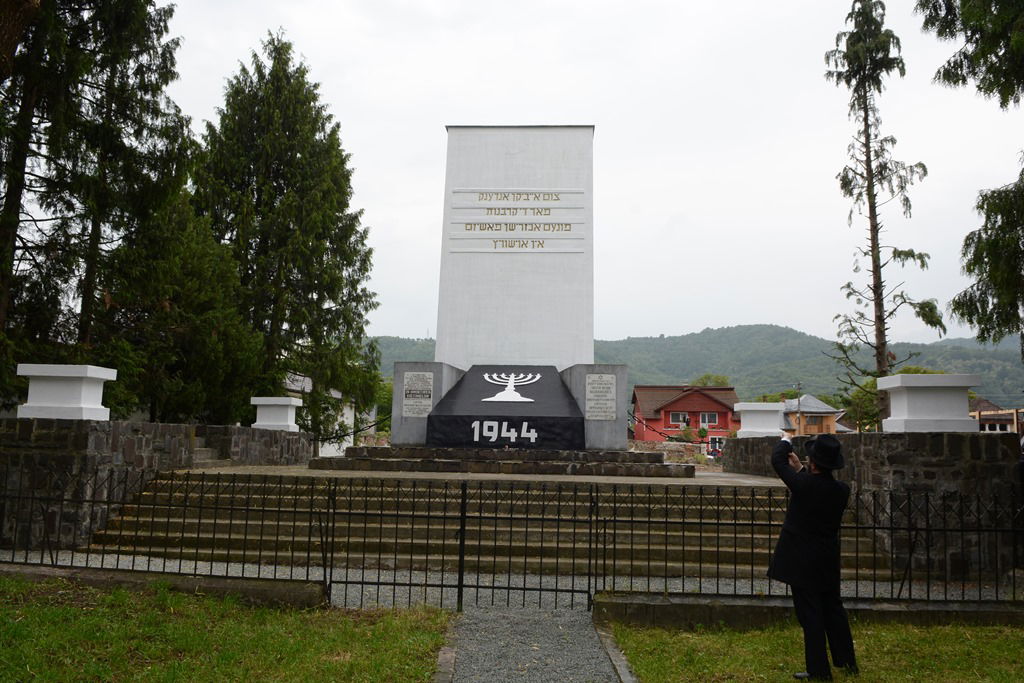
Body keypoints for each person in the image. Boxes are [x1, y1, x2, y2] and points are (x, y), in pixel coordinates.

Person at [767, 432, 858, 681]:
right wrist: (801, 471)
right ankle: (847, 660)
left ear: (813, 463)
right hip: (827, 557)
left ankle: (819, 670)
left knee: (811, 615)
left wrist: (785, 439)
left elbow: (777, 461)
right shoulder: (841, 490)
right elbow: (816, 487)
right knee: (833, 609)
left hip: (801, 559)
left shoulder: (804, 485)